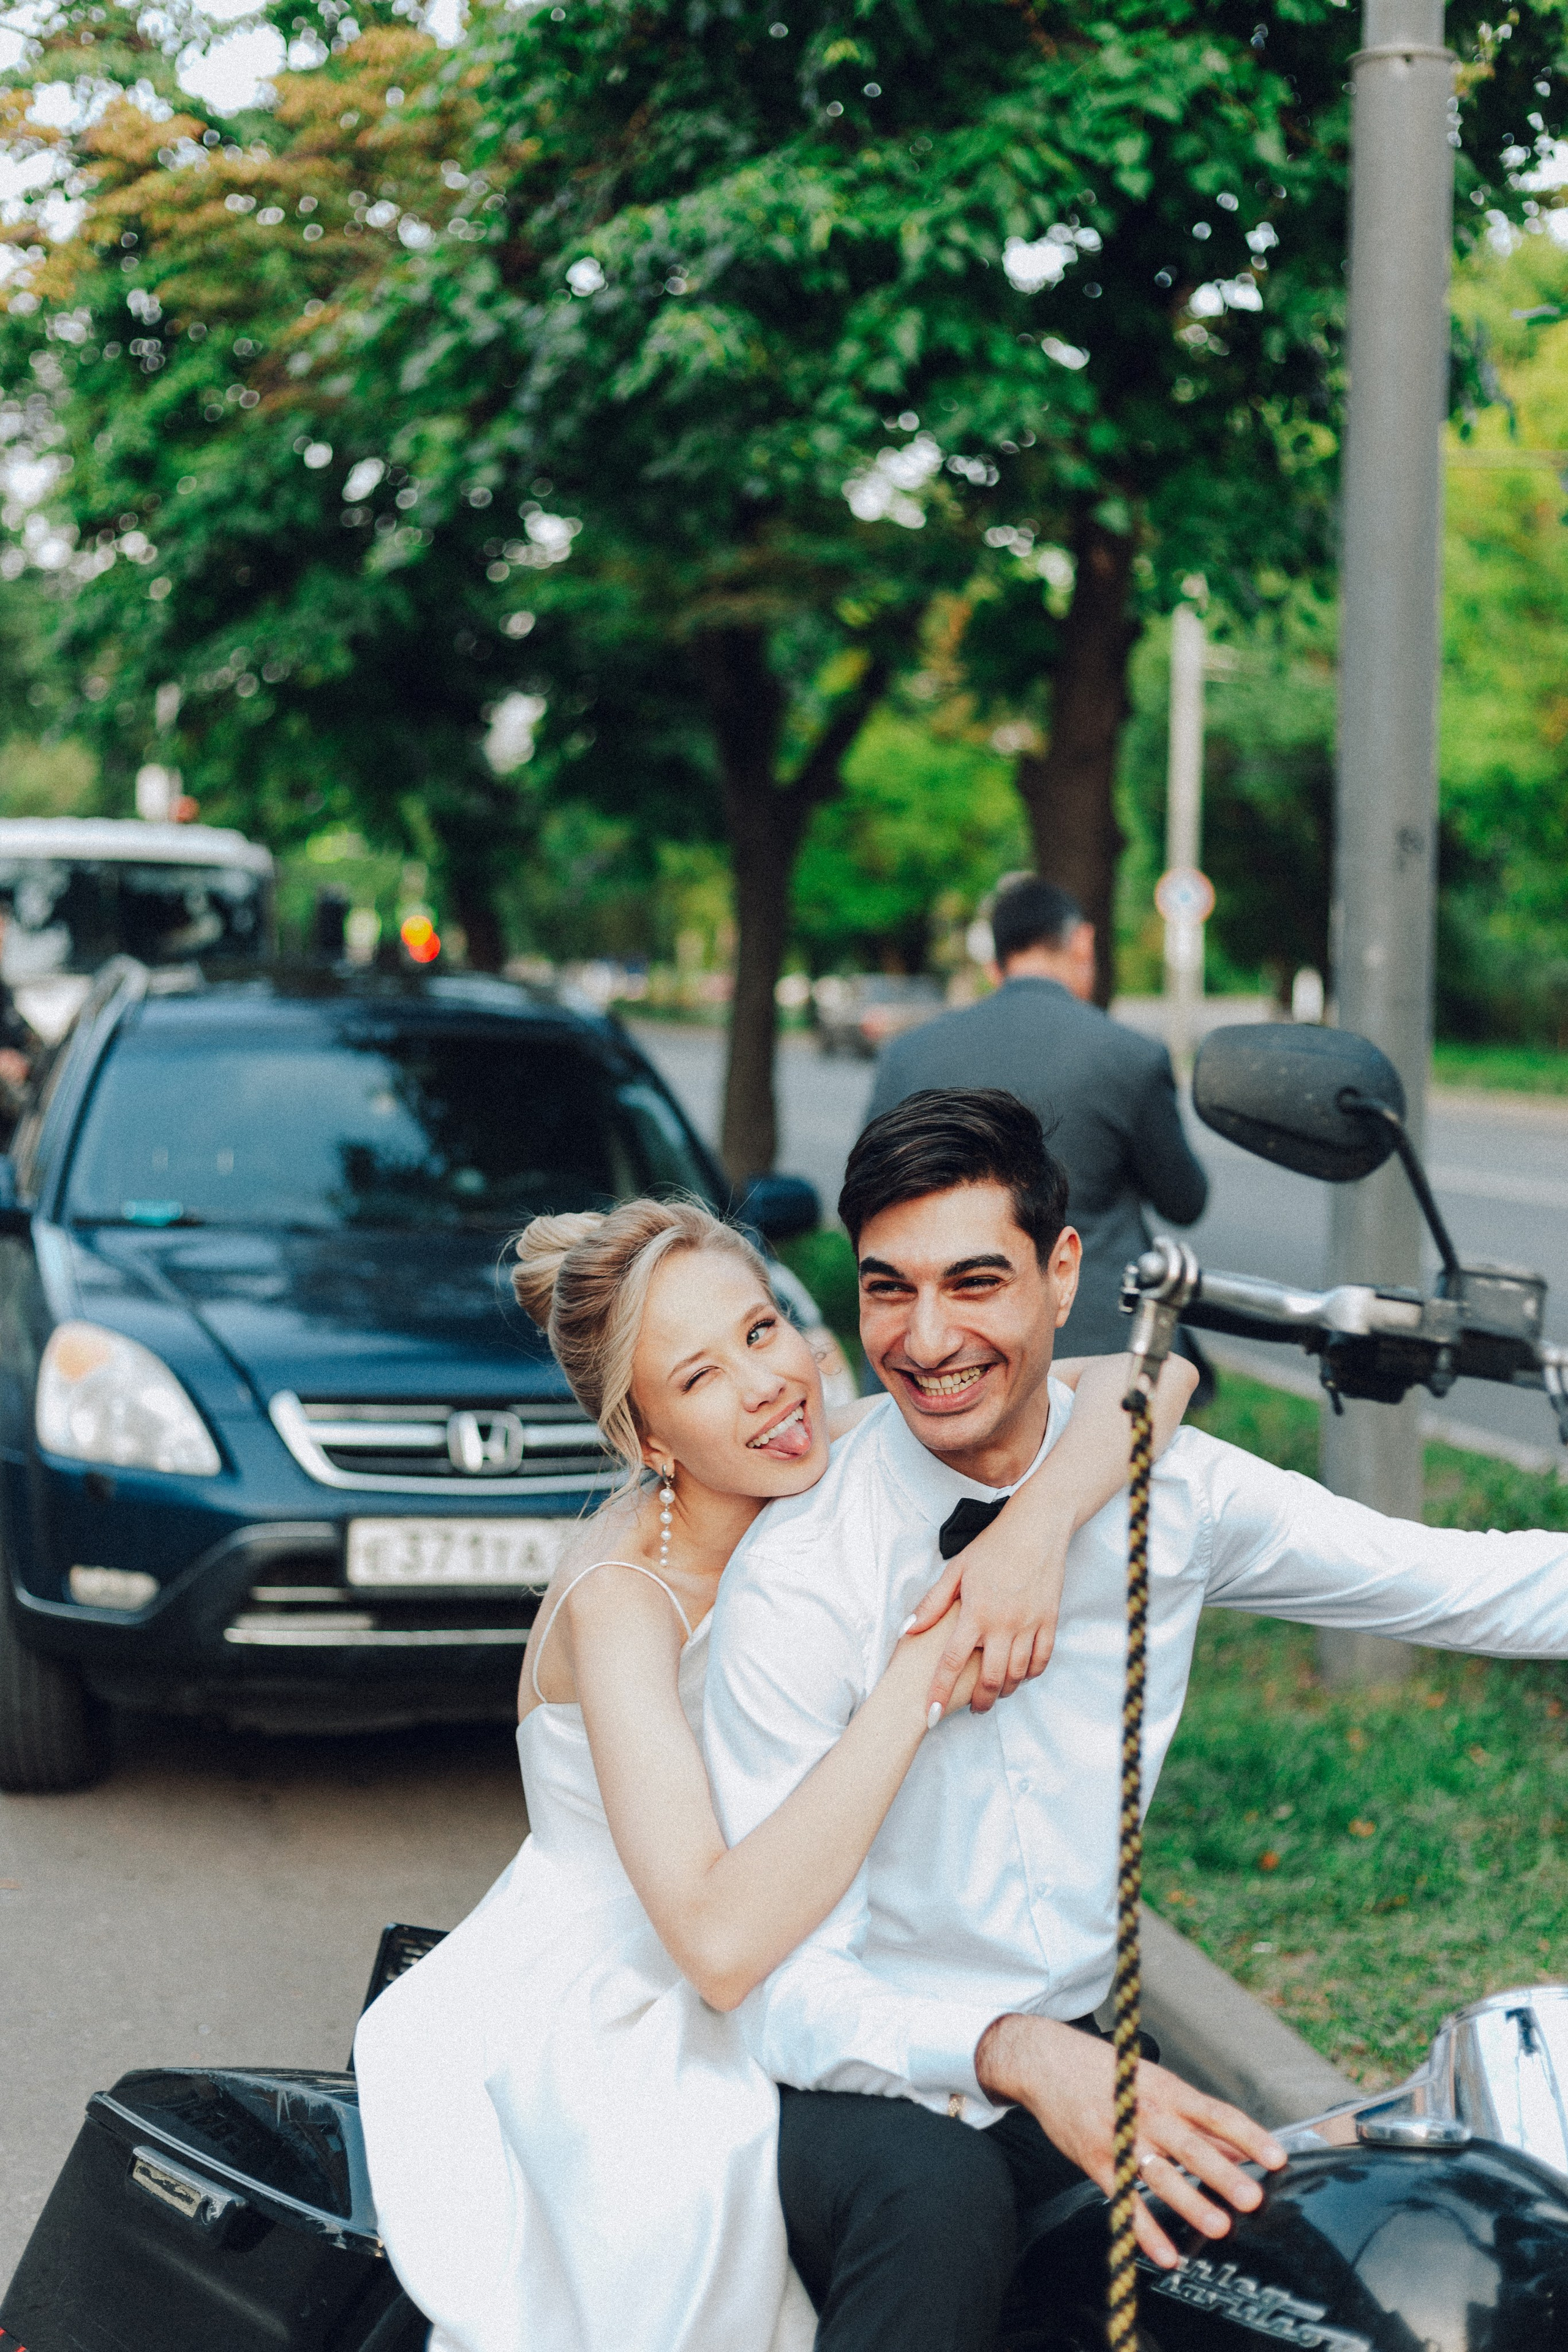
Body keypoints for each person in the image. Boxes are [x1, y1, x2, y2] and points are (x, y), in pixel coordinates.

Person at [701, 1087, 1568, 2352]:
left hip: (1089, 2052)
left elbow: (1467, 1583)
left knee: (1341, 2277)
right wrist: (1013, 2053)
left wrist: (1066, 2060)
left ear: (1063, 1274)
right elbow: (785, 1989)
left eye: (974, 1282)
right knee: (938, 2205)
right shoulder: (800, 1568)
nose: (925, 1337)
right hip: (858, 2081)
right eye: (887, 1288)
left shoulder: (1180, 1494)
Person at [353, 1196, 1199, 2352]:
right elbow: (713, 1941)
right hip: (627, 1993)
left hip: (806, 1946)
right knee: (902, 2193)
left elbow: (1153, 1380)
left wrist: (1033, 1530)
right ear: (650, 1442)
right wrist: (921, 1674)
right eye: (699, 1378)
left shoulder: (812, 1448)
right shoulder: (622, 1606)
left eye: (762, 1332)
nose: (765, 1386)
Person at [865, 875, 1209, 1367]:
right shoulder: (1130, 1056)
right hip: (1101, 1351)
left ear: (996, 961)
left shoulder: (907, 1054)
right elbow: (1184, 1201)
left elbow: (867, 1199)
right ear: (1082, 942)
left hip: (939, 1344)